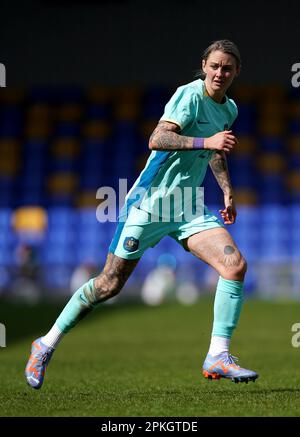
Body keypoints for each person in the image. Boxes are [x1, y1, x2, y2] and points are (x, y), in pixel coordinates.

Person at [25, 39, 258, 389]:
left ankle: (218, 355)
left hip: (187, 206)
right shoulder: (189, 96)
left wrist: (226, 189)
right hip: (149, 204)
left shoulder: (229, 109)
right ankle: (44, 344)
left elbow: (216, 151)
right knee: (109, 284)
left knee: (234, 265)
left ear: (236, 71)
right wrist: (206, 142)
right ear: (204, 66)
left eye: (227, 68)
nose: (220, 73)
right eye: (214, 66)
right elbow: (157, 138)